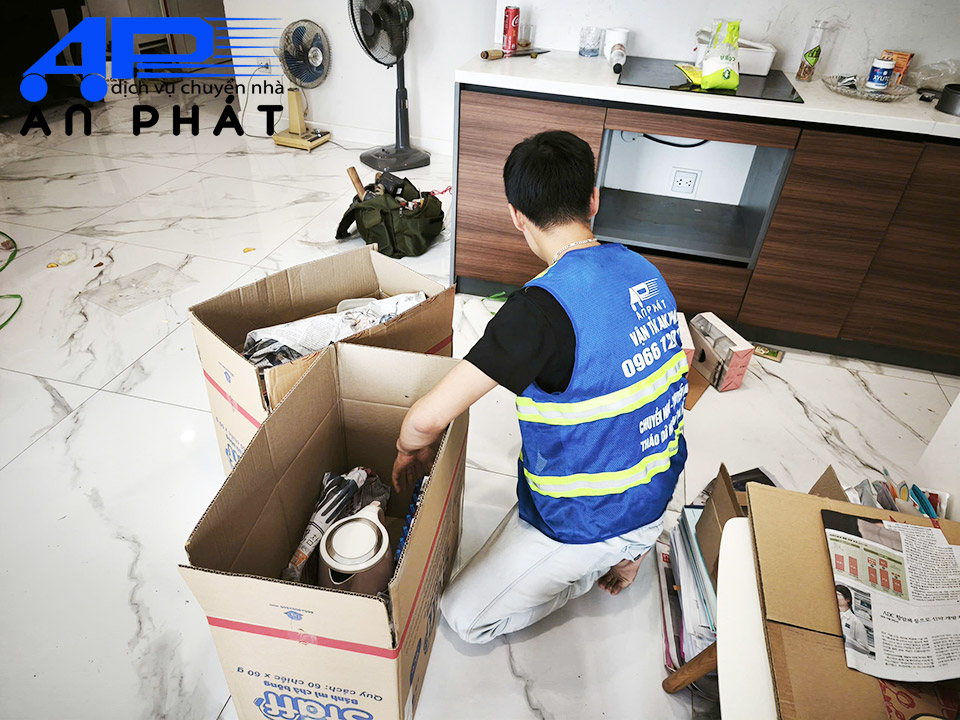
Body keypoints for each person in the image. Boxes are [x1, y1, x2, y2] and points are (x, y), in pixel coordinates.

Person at [391, 130, 689, 644]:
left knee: (464, 618)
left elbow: (426, 419)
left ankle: (616, 555)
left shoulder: (538, 312)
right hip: (658, 481)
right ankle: (630, 542)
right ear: (593, 200)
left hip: (596, 518)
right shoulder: (641, 267)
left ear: (516, 216)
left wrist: (405, 451)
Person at [836, 584, 871, 654]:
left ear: (847, 599)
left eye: (838, 594)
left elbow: (865, 649)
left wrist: (846, 639)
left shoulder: (856, 622)